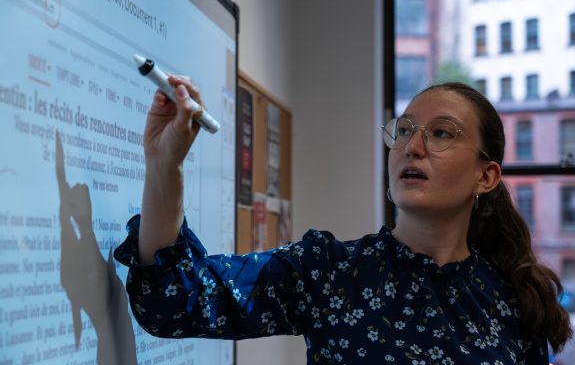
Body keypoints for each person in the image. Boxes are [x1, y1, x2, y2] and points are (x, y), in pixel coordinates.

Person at [114, 79, 573, 364]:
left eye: (441, 133)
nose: (412, 146)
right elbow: (174, 300)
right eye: (406, 130)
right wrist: (164, 165)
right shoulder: (330, 271)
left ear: (486, 175)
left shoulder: (512, 300)